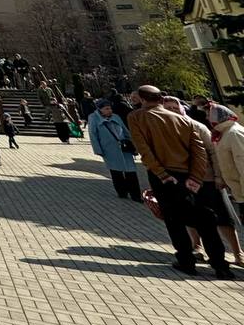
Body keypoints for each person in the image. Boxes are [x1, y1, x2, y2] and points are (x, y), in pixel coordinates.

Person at [127, 84, 233, 279]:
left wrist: (161, 174)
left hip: (164, 175)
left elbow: (144, 149)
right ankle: (220, 265)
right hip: (190, 175)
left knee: (174, 220)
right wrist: (196, 177)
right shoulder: (184, 120)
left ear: (142, 100)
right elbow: (199, 151)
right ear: (161, 99)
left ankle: (186, 260)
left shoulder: (137, 117)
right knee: (205, 218)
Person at [164, 97, 244, 266]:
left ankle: (238, 253)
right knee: (191, 217)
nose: (171, 111)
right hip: (184, 181)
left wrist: (218, 177)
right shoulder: (163, 129)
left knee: (223, 217)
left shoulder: (198, 127)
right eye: (167, 108)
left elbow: (216, 154)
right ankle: (198, 247)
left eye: (174, 107)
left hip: (209, 180)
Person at [87, 100, 140, 200]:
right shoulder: (93, 118)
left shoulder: (116, 117)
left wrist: (134, 144)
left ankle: (136, 195)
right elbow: (93, 135)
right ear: (100, 109)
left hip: (124, 147)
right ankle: (122, 192)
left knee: (131, 171)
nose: (109, 110)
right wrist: (98, 150)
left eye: (110, 108)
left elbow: (125, 130)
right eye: (106, 109)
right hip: (109, 149)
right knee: (116, 171)